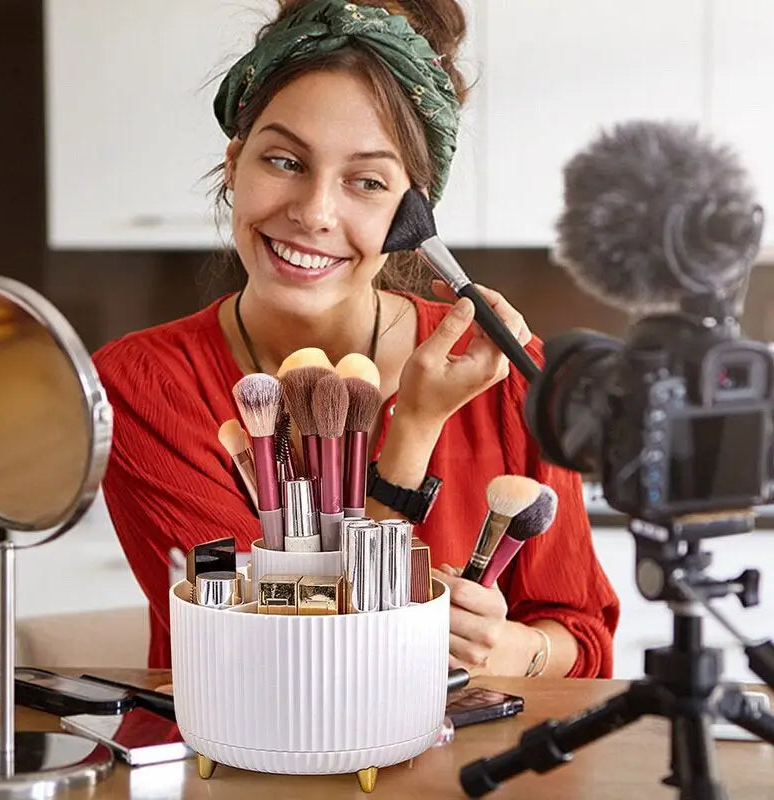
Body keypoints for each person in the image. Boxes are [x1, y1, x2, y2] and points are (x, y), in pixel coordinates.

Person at [94, 0, 619, 676]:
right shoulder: (142, 388)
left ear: (415, 211)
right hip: (248, 769)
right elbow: (282, 654)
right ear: (234, 162)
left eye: (367, 181)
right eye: (284, 161)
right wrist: (416, 426)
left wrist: (511, 648)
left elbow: (583, 644)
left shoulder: (508, 374)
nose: (314, 213)